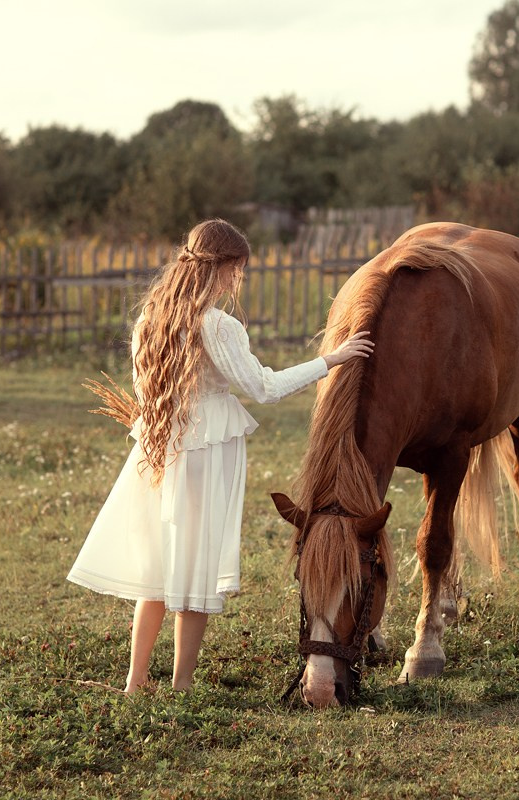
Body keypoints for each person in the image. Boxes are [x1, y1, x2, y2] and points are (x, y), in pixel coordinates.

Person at [67, 219, 373, 693]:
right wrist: (331, 360)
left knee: (161, 566)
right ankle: (182, 684)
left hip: (163, 448)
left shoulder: (151, 319)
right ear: (225, 266)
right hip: (207, 453)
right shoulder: (217, 325)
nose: (238, 280)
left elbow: (144, 390)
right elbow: (263, 387)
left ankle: (136, 680)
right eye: (238, 270)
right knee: (196, 567)